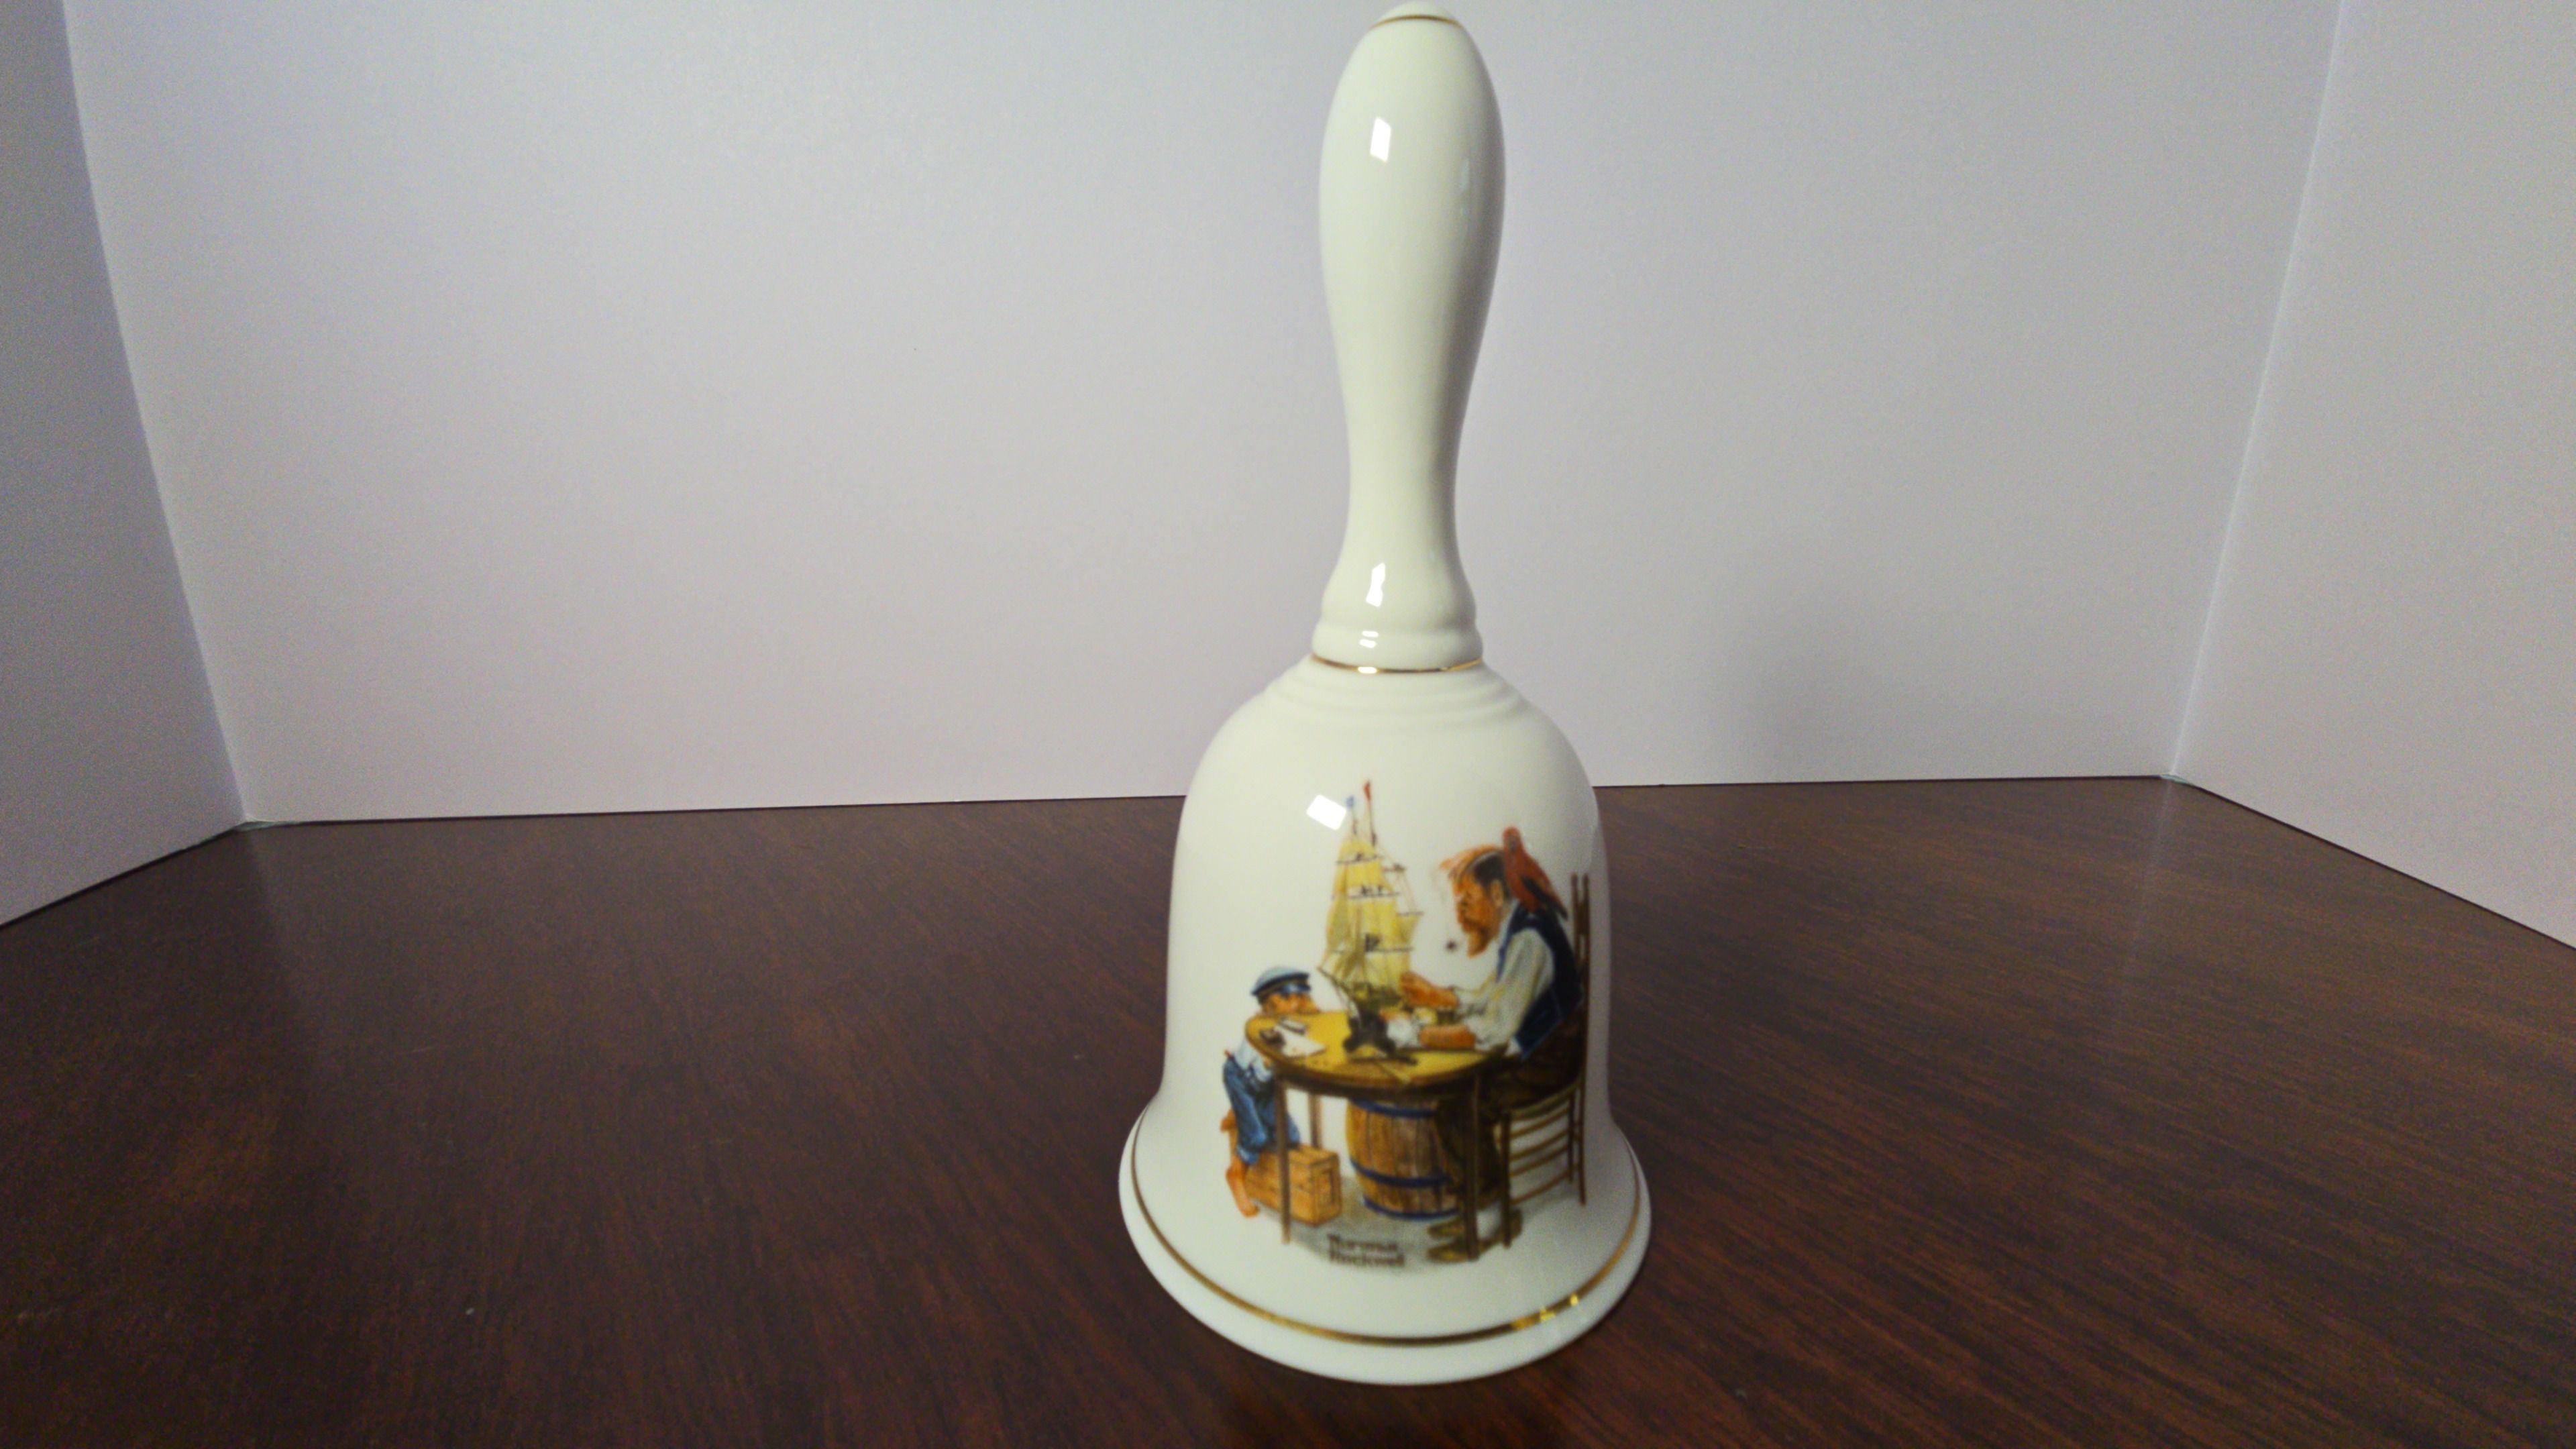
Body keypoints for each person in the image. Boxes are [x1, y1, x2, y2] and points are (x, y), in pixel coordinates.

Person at [1219, 967, 1318, 1217]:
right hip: (1243, 1080)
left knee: (1290, 1137)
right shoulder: (1262, 1031)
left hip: (1264, 1085)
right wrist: (1271, 1063)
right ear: (1270, 1003)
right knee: (1256, 1138)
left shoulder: (1291, 1023)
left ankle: (1240, 1112)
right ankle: (1235, 1175)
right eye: (1287, 998)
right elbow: (1259, 1080)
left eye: (1299, 997)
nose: (1295, 1003)